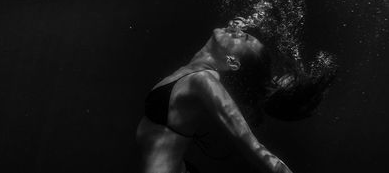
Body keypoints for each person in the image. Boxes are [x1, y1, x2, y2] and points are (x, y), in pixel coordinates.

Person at [136, 19, 334, 173]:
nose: (237, 29)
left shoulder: (203, 81)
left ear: (233, 63)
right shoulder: (193, 72)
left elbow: (252, 147)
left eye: (244, 38)